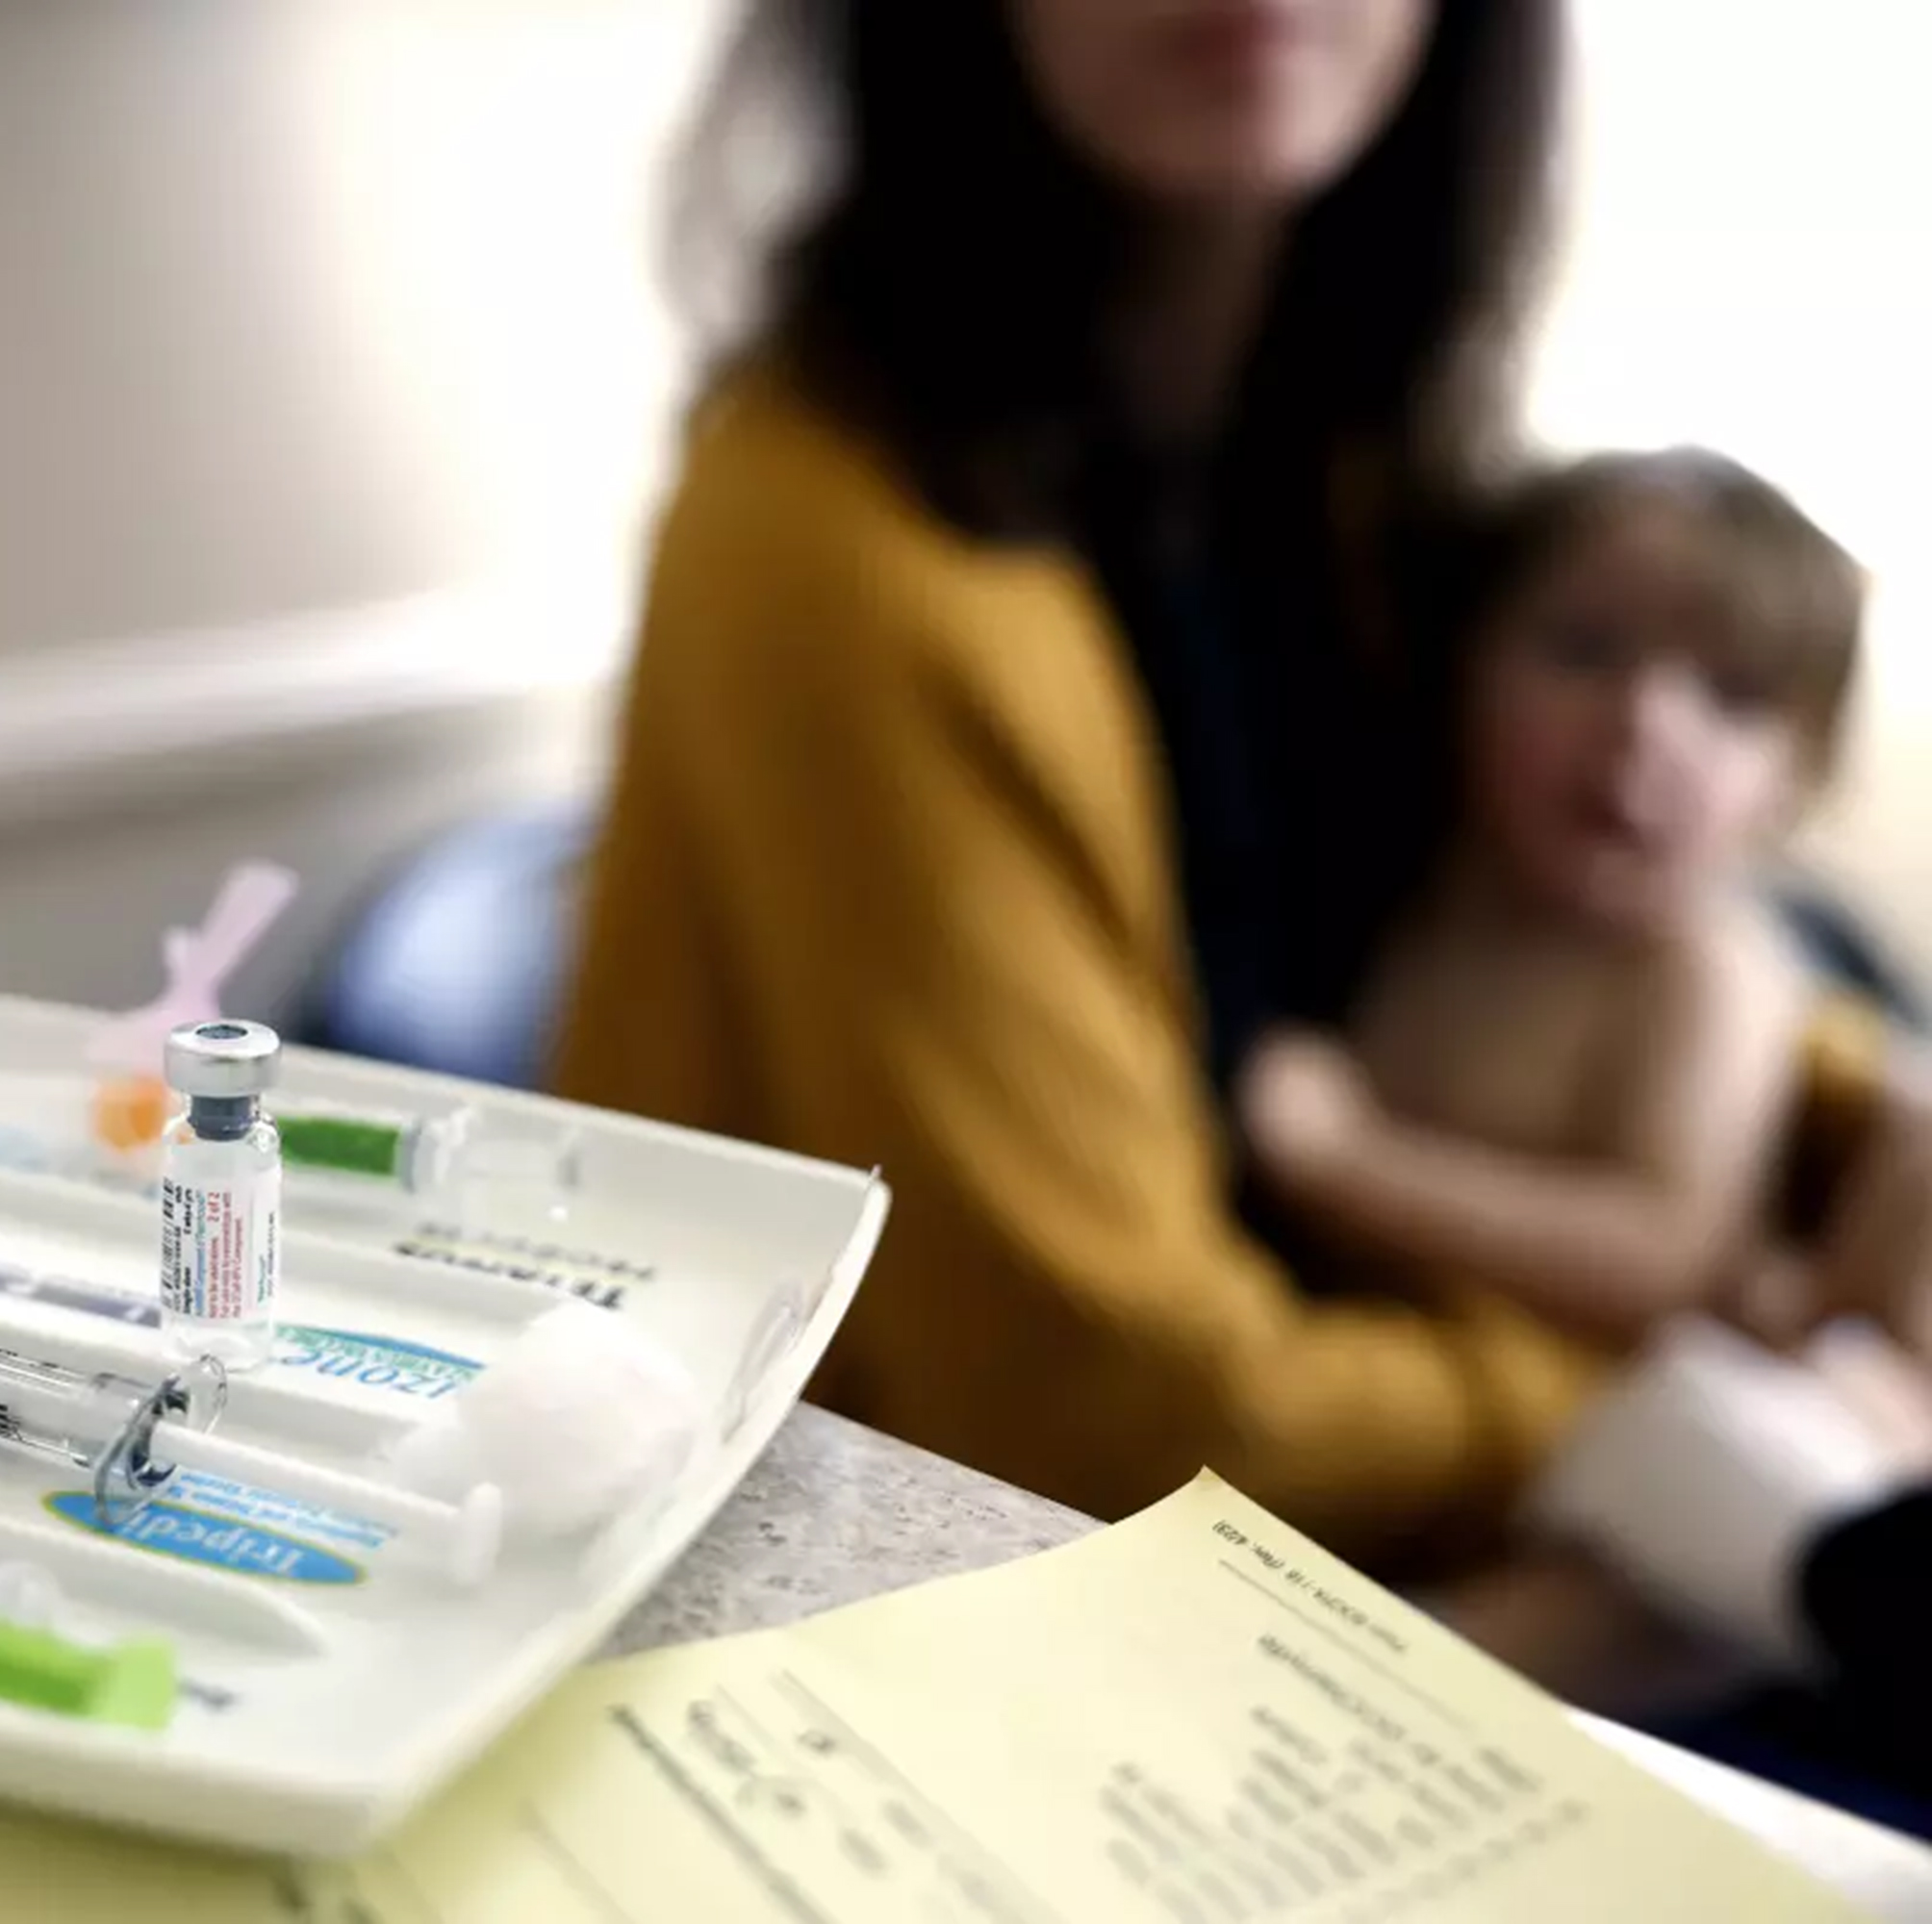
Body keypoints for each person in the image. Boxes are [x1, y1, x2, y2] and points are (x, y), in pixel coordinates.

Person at [552, 0, 1903, 1573]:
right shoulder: (827, 544)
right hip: (905, 1589)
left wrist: (1858, 1129)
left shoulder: (1350, 459)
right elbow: (1113, 1420)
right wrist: (1670, 1383)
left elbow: (1538, 918)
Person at [1243, 451, 1911, 1354]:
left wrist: (1349, 1164)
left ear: (1799, 778)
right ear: (1464, 662)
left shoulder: (1702, 970)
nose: (1643, 722)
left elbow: (1663, 1254)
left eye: (1734, 697)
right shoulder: (1415, 886)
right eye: (1585, 648)